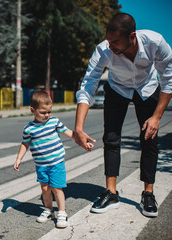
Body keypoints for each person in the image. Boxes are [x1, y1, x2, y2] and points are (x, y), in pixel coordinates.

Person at [74, 13, 172, 217]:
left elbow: (169, 79)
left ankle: (148, 193)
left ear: (132, 36)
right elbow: (88, 85)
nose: (110, 46)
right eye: (108, 40)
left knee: (149, 138)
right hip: (117, 88)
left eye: (115, 41)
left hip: (147, 87)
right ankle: (111, 193)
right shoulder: (103, 49)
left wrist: (156, 117)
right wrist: (78, 128)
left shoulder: (156, 43)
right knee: (111, 138)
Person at [14, 91, 93, 228]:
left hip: (56, 163)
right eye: (43, 112)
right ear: (33, 110)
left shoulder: (54, 122)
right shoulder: (29, 129)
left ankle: (62, 212)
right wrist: (19, 158)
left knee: (57, 188)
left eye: (49, 111)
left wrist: (83, 142)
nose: (47, 115)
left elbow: (69, 134)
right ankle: (48, 210)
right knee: (45, 189)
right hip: (41, 166)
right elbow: (25, 144)